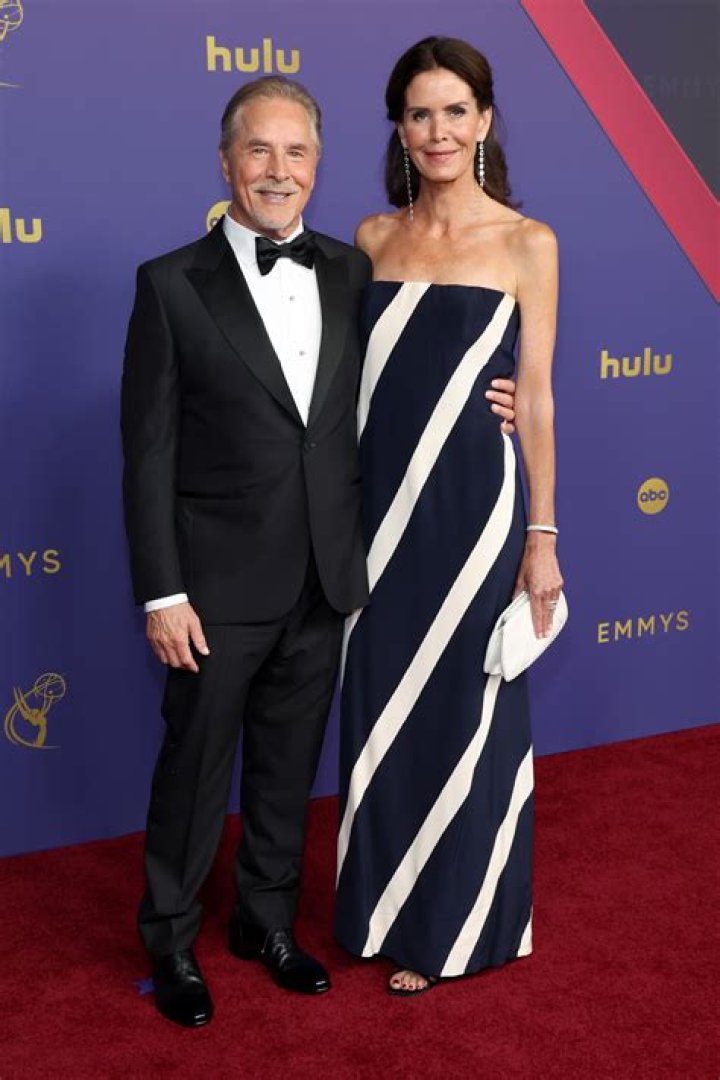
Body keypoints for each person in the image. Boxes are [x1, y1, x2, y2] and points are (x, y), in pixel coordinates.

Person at [121, 72, 522, 1026]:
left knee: (287, 771)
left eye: (296, 152)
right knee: (194, 773)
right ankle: (171, 941)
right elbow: (146, 452)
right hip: (214, 585)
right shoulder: (170, 283)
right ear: (226, 161)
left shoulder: (351, 269)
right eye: (258, 149)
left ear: (318, 164)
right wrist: (162, 593)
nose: (278, 170)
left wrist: (496, 401)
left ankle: (264, 924)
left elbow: (418, 367)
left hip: (330, 576)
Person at [335, 37, 563, 996]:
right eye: (420, 113)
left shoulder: (527, 242)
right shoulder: (370, 238)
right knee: (382, 706)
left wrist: (542, 537)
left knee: (469, 711)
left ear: (484, 121)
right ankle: (381, 911)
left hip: (475, 510)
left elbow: (536, 396)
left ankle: (456, 928)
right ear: (400, 126)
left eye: (455, 111)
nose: (438, 131)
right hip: (378, 514)